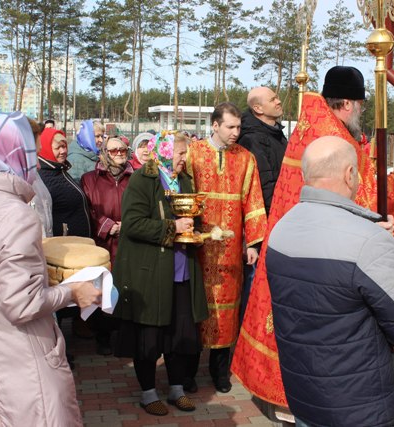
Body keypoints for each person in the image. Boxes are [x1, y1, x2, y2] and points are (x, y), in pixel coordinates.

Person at [231, 66, 394, 423]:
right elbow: (362, 202)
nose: (361, 112)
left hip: (294, 248)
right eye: (361, 106)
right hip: (346, 369)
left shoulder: (312, 127)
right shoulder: (336, 140)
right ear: (349, 104)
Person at [266, 136, 394, 427]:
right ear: (349, 174)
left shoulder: (281, 228)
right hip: (357, 406)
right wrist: (381, 249)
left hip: (303, 395)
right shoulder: (368, 241)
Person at [0, 111, 101, 426]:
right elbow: (23, 304)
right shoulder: (17, 215)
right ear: (14, 154)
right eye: (31, 153)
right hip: (24, 367)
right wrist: (72, 291)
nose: (36, 164)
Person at [113, 131, 208, 416]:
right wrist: (172, 228)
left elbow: (192, 217)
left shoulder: (184, 181)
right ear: (165, 152)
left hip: (181, 272)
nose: (184, 158)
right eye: (180, 153)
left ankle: (177, 389)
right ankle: (148, 393)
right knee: (149, 336)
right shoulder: (143, 180)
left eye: (185, 153)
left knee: (179, 336)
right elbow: (132, 224)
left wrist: (197, 231)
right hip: (151, 273)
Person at [184, 102, 267, 394]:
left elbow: (253, 201)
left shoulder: (246, 158)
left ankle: (220, 372)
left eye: (239, 127)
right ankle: (188, 372)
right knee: (195, 306)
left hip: (230, 249)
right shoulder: (193, 153)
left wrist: (252, 243)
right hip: (198, 246)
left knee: (227, 310)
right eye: (230, 127)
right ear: (215, 125)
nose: (236, 132)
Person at [81, 136, 132, 355]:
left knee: (127, 287)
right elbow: (88, 209)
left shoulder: (135, 177)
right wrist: (108, 226)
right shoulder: (89, 179)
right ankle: (103, 336)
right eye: (113, 150)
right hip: (103, 244)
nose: (119, 153)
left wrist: (129, 225)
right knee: (103, 289)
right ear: (104, 153)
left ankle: (123, 334)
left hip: (129, 242)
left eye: (123, 149)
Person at [238, 87, 287, 215]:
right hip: (269, 213)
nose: (278, 101)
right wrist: (276, 214)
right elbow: (264, 183)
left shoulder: (276, 134)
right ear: (258, 108)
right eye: (272, 100)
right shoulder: (251, 139)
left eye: (277, 97)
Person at [38, 127, 91, 238]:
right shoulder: (42, 178)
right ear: (46, 149)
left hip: (76, 241)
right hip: (63, 243)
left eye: (64, 146)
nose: (63, 151)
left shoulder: (60, 170)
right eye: (58, 148)